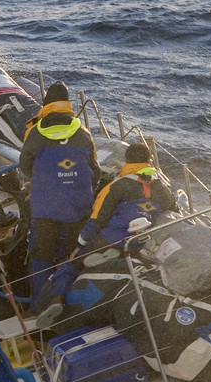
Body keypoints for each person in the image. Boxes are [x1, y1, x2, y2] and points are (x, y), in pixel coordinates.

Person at [17, 82, 99, 324]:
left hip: (45, 206)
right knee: (75, 253)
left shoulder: (35, 133)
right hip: (78, 207)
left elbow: (24, 166)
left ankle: (36, 307)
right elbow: (95, 170)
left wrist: (44, 180)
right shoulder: (82, 133)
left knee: (40, 254)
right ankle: (72, 301)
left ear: (45, 106)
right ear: (68, 106)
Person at [78, 141, 177, 255]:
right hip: (142, 242)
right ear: (149, 161)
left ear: (126, 159)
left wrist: (79, 244)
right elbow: (173, 210)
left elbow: (97, 220)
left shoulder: (114, 187)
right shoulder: (161, 188)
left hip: (111, 239)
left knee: (74, 263)